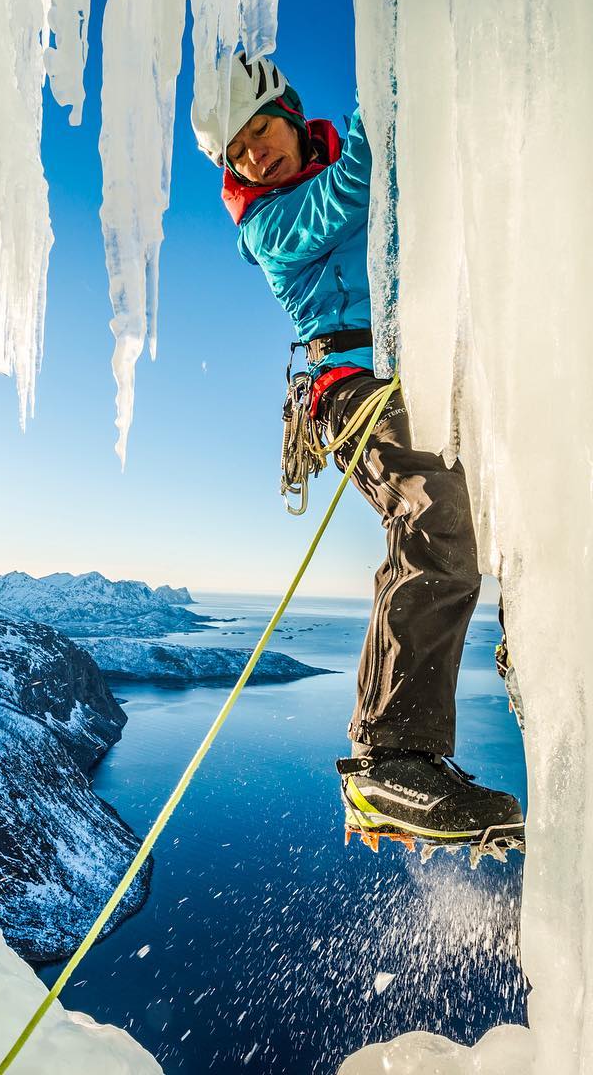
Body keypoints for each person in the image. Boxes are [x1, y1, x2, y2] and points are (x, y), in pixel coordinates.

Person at [191, 54, 524, 853]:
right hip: (351, 389)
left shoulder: (322, 173)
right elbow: (353, 194)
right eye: (235, 152)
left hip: (424, 368)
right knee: (434, 514)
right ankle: (389, 757)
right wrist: (397, 65)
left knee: (507, 494)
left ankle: (536, 646)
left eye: (258, 133)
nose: (251, 157)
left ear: (292, 115)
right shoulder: (267, 224)